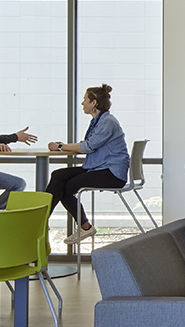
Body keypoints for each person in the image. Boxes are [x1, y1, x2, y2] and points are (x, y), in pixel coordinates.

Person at [44, 84, 129, 241]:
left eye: (85, 100)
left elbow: (87, 147)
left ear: (94, 103)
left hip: (112, 174)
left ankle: (83, 227)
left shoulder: (108, 122)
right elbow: (87, 145)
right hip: (99, 167)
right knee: (58, 175)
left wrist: (61, 146)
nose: (82, 103)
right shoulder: (98, 121)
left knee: (66, 188)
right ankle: (42, 219)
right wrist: (63, 146)